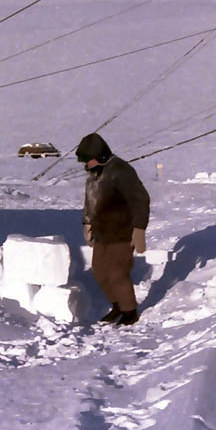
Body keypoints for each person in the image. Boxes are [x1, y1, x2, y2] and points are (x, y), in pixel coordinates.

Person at [75, 133, 150, 327]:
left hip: (122, 231)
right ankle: (117, 305)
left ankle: (129, 311)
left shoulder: (121, 170)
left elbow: (140, 200)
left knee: (117, 272)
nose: (86, 165)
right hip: (102, 232)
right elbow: (89, 201)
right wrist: (87, 224)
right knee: (100, 272)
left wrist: (139, 230)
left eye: (88, 160)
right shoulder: (93, 174)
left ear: (100, 156)